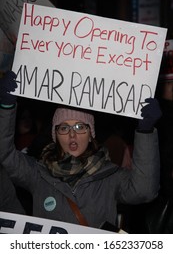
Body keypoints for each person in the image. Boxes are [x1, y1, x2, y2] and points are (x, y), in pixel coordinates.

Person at [0, 70, 162, 231]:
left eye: (80, 127)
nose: (72, 134)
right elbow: (6, 155)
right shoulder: (38, 174)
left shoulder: (110, 177)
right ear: (55, 135)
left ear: (91, 134)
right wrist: (6, 108)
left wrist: (145, 133)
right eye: (64, 128)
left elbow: (144, 191)